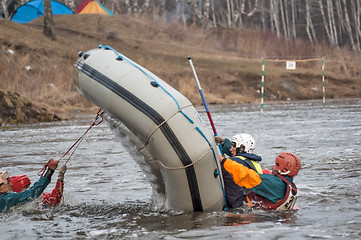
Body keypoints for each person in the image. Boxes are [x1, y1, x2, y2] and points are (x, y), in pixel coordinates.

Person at [222, 152, 301, 210]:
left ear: (284, 169)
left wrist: (224, 161)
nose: (273, 167)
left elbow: (247, 176)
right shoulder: (290, 185)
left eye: (276, 165)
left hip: (247, 209)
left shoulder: (273, 183)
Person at [215, 133, 264, 208]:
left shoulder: (233, 163)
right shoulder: (253, 162)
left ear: (241, 148)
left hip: (241, 204)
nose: (231, 149)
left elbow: (232, 162)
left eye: (233, 146)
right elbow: (238, 157)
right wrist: (224, 143)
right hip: (254, 201)